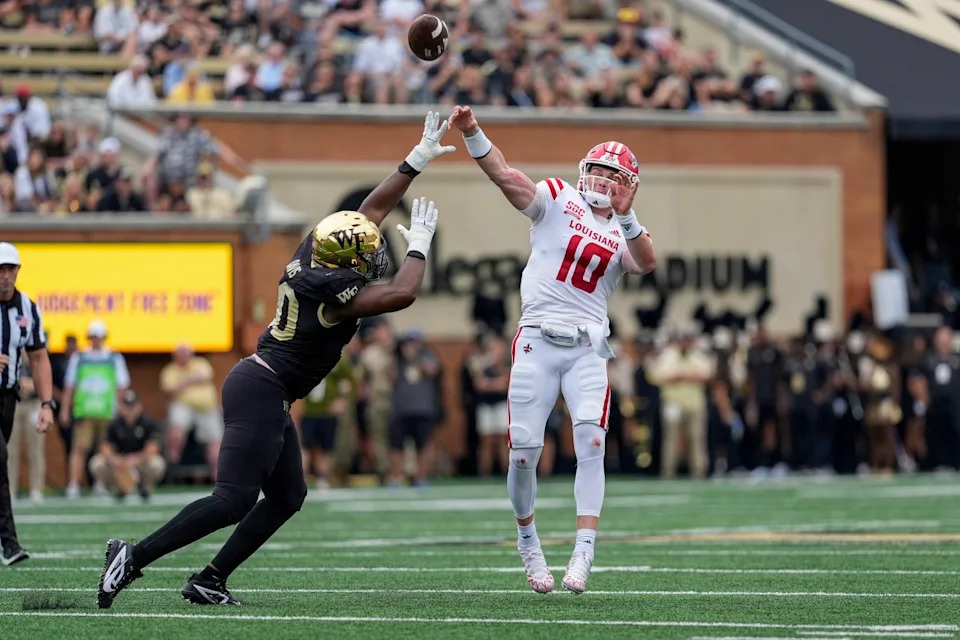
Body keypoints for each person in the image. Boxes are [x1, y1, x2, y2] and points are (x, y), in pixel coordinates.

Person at [97, 111, 455, 608]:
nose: (373, 253)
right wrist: (418, 245)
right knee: (233, 500)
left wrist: (414, 160)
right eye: (365, 254)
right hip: (262, 388)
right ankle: (131, 558)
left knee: (288, 496)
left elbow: (369, 211)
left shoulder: (315, 252)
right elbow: (402, 293)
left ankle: (210, 578)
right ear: (343, 266)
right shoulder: (336, 295)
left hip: (266, 386)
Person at [448, 105, 657, 594]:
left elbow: (645, 262)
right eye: (599, 170)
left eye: (614, 175)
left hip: (587, 347)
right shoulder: (558, 198)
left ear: (628, 183)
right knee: (523, 454)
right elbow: (503, 174)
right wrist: (474, 131)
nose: (603, 181)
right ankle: (529, 542)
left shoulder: (622, 227)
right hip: (538, 339)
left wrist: (628, 215)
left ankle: (584, 551)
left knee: (592, 442)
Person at [0, 242, 55, 567]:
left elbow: (38, 358)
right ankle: (9, 543)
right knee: (1, 458)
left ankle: (8, 543)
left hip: (8, 398)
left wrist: (47, 404)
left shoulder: (28, 309)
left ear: (17, 271)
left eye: (10, 269)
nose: (5, 276)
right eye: (0, 270)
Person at [59, 319, 130, 498]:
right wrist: (65, 409)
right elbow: (70, 385)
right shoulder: (79, 358)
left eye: (98, 336)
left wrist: (120, 407)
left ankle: (100, 484)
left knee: (104, 450)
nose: (95, 340)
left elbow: (122, 386)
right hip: (85, 411)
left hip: (107, 411)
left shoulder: (114, 358)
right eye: (93, 336)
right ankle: (73, 484)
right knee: (79, 448)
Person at [88, 390, 166, 501]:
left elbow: (153, 448)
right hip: (120, 464)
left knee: (157, 464)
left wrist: (136, 459)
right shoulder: (114, 424)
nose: (130, 410)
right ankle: (120, 486)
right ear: (122, 407)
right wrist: (116, 460)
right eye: (127, 406)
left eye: (133, 406)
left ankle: (144, 487)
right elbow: (105, 447)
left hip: (140, 463)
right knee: (97, 463)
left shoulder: (147, 423)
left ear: (139, 407)